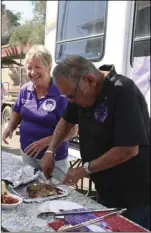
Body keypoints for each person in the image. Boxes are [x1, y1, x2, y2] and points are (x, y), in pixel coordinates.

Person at [38, 55, 150, 230]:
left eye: (70, 96)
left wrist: (84, 169)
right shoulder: (79, 90)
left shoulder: (122, 91)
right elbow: (66, 121)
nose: (70, 101)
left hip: (134, 194)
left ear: (89, 80)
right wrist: (50, 151)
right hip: (106, 188)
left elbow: (128, 149)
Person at [2, 45, 77, 182]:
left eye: (37, 67)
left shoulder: (61, 93)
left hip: (54, 159)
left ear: (48, 67)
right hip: (27, 155)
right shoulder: (25, 89)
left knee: (54, 194)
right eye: (29, 68)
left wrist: (46, 143)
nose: (32, 72)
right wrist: (10, 127)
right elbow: (17, 112)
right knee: (29, 191)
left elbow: (73, 131)